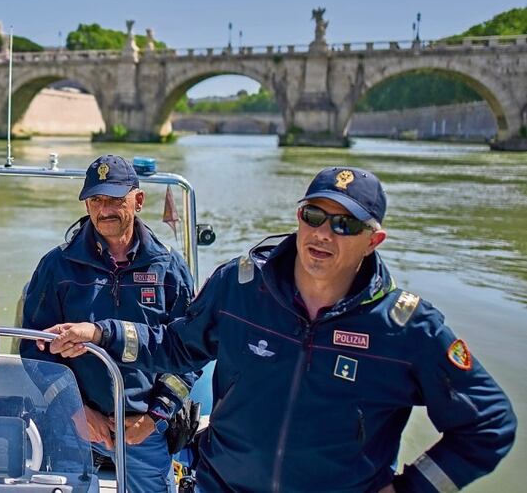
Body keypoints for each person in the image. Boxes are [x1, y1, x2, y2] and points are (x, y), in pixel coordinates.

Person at [45, 166, 517, 492]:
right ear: (298, 216)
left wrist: (410, 490)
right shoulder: (240, 287)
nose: (323, 234)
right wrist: (99, 334)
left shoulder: (406, 329)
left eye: (345, 224)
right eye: (314, 215)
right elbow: (176, 346)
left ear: (373, 240)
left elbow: (489, 426)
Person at [21, 154, 199, 493]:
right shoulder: (57, 267)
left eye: (116, 200)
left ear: (139, 200)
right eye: (96, 200)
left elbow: (189, 354)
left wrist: (154, 418)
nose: (105, 210)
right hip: (73, 425)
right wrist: (76, 411)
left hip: (143, 428)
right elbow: (33, 349)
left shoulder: (169, 270)